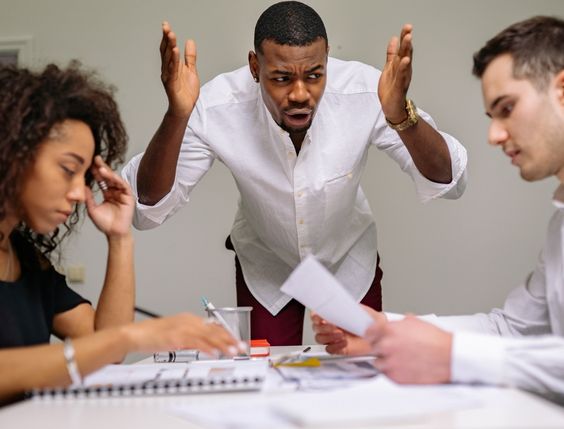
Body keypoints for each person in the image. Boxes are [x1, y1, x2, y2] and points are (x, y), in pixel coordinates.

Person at [122, 1, 468, 345]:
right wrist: (177, 115)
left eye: (315, 75)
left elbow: (449, 178)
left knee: (363, 372)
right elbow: (147, 205)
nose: (300, 94)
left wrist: (399, 116)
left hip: (348, 262)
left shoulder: (369, 92)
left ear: (327, 59)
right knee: (264, 376)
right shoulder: (216, 106)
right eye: (282, 78)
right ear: (255, 66)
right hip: (266, 266)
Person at [312, 15, 564, 404]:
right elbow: (512, 331)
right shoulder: (559, 226)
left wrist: (452, 357)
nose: (494, 136)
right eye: (491, 117)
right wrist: (385, 328)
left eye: (507, 108)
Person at [0, 63, 242, 404]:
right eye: (68, 170)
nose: (77, 192)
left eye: (83, 177)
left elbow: (105, 349)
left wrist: (120, 237)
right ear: (12, 154)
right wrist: (130, 337)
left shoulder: (25, 260)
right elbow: (113, 343)